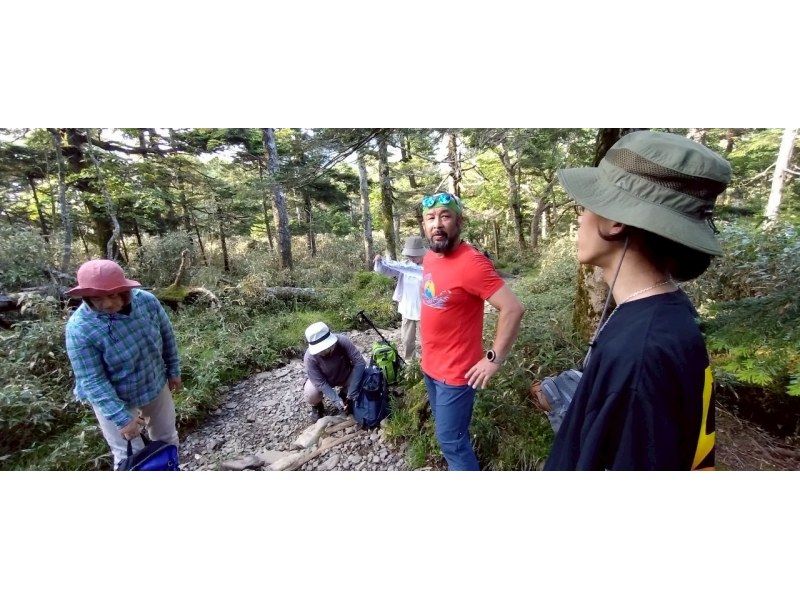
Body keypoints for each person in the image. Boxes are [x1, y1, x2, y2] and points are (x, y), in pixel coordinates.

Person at [542, 130, 729, 470]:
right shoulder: (665, 313)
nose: (579, 218)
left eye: (586, 206)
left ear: (615, 221)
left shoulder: (640, 352)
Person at [419, 192, 525, 470]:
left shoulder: (472, 263)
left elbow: (513, 309)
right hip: (430, 367)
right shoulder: (430, 256)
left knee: (451, 442)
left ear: (459, 221)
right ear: (423, 224)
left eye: (445, 216)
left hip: (456, 374)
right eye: (430, 218)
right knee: (449, 437)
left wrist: (494, 359)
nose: (437, 224)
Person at [64, 259, 182, 470]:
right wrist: (121, 418)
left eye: (112, 295)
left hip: (153, 378)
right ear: (86, 297)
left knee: (167, 438)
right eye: (97, 298)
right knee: (129, 455)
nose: (107, 304)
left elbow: (166, 335)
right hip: (114, 396)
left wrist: (173, 370)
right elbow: (92, 379)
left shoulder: (146, 301)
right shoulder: (79, 329)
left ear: (124, 290)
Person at [373, 235, 425, 360]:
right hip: (407, 309)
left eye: (414, 256)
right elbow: (386, 271)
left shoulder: (429, 266)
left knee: (426, 341)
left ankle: (428, 364)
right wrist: (379, 261)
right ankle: (410, 362)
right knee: (407, 340)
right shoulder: (404, 266)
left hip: (424, 311)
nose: (412, 258)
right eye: (410, 256)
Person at [302, 321, 366, 422]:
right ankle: (317, 406)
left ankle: (345, 394)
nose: (323, 352)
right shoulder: (309, 358)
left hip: (346, 374)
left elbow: (360, 363)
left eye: (326, 348)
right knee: (311, 393)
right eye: (320, 350)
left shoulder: (342, 341)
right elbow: (320, 383)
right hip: (325, 380)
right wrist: (335, 400)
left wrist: (352, 391)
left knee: (364, 374)